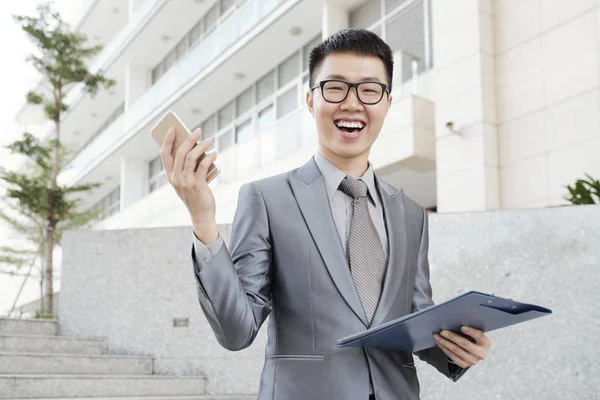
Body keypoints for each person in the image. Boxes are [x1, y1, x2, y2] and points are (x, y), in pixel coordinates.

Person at [160, 28, 492, 400]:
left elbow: (412, 319)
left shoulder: (411, 213)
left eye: (369, 90)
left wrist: (455, 350)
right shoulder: (266, 199)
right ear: (309, 100)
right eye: (335, 88)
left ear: (387, 102)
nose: (352, 103)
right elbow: (237, 331)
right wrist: (203, 221)